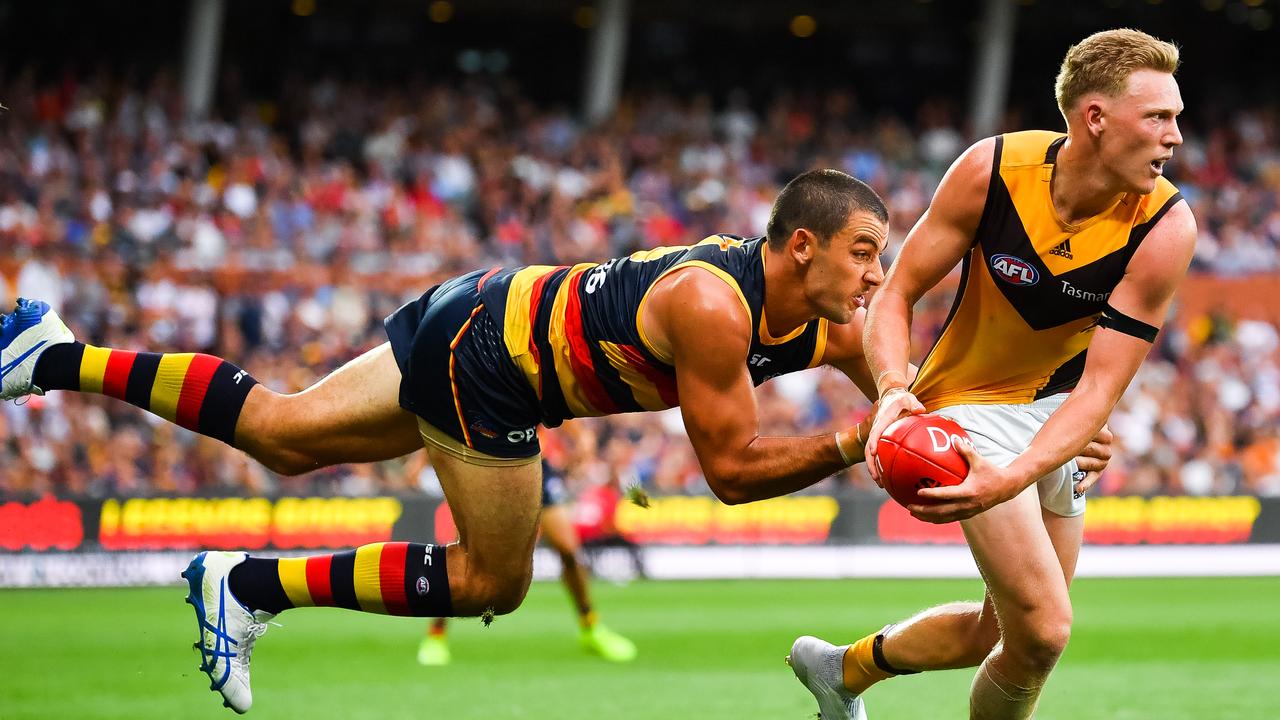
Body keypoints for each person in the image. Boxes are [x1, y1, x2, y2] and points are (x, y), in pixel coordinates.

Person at [0, 168, 1110, 715]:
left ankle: (50, 354)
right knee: (496, 579)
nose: (880, 278)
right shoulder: (714, 311)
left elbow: (897, 377)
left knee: (282, 432)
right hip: (491, 368)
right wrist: (848, 443)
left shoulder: (814, 312)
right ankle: (249, 585)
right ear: (802, 248)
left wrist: (982, 425)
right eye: (866, 255)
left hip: (482, 305)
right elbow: (728, 475)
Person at [786, 29, 1193, 720]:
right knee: (1044, 632)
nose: (1176, 136)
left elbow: (1099, 389)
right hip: (964, 413)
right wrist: (892, 391)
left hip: (1056, 418)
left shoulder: (1166, 227)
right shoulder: (994, 169)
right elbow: (896, 292)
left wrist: (1035, 459)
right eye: (1159, 116)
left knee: (998, 632)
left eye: (1175, 118)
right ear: (1094, 118)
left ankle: (838, 670)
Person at [417, 457, 637, 666]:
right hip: (487, 462)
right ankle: (436, 635)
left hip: (535, 461)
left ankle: (590, 627)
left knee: (569, 550)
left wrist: (580, 439)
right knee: (464, 549)